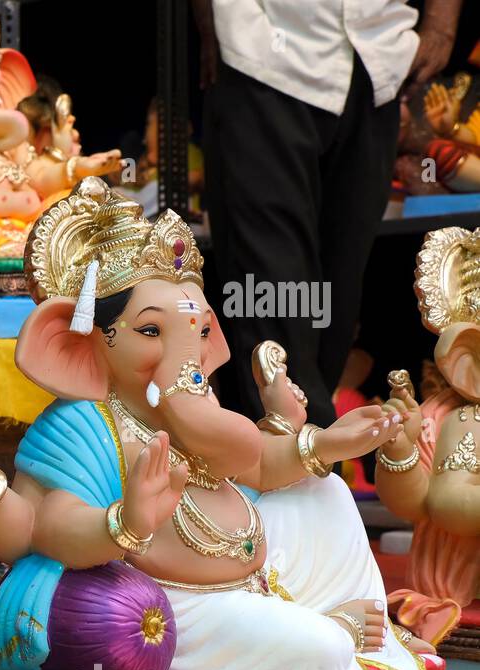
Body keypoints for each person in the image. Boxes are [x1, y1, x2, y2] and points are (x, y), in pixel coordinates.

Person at [194, 0, 462, 426]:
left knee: (336, 295)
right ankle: (300, 470)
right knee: (272, 287)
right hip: (264, 47)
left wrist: (443, 22)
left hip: (376, 53)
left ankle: (303, 454)